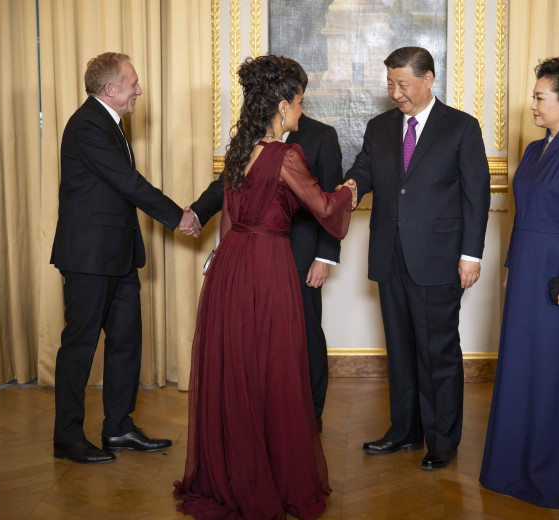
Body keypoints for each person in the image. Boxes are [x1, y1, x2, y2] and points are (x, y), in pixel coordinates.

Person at [172, 55, 355, 520]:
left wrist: (217, 256)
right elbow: (324, 207)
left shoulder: (241, 148)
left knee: (238, 364)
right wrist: (349, 193)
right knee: (274, 366)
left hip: (233, 264)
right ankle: (269, 473)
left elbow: (232, 213)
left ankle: (231, 469)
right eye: (297, 103)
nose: (299, 110)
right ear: (280, 105)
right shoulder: (284, 155)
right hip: (268, 265)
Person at [345, 46, 491, 471]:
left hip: (441, 259)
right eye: (390, 83)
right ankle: (404, 431)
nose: (395, 92)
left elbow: (475, 197)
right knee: (401, 349)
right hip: (390, 256)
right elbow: (363, 170)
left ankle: (442, 440)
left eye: (403, 84)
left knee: (438, 352)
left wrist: (471, 255)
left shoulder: (461, 128)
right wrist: (349, 190)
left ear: (428, 79)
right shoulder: (379, 127)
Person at [50, 52, 198, 464]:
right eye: (132, 82)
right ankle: (67, 438)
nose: (139, 89)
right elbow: (127, 182)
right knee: (79, 348)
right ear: (109, 89)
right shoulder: (88, 126)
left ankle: (118, 427)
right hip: (89, 258)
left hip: (118, 256)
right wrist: (177, 216)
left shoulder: (109, 124)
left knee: (125, 343)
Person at [479, 57, 559, 509]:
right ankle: (514, 467)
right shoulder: (534, 151)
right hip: (527, 271)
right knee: (524, 367)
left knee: (558, 372)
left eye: (540, 97)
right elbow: (521, 217)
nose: (532, 104)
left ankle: (558, 472)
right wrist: (513, 266)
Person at [187, 113, 344, 432]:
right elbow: (225, 188)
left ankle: (310, 417)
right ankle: (260, 415)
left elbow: (325, 194)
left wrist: (325, 257)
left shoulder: (321, 136)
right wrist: (196, 213)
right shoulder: (250, 137)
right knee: (255, 337)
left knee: (306, 334)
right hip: (253, 257)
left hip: (301, 256)